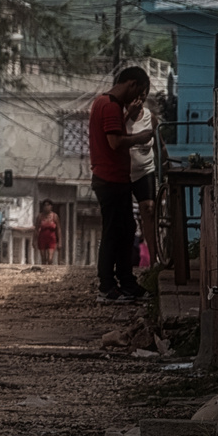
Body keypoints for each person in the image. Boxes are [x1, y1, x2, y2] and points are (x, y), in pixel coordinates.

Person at [89, 66, 154, 301]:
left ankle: (124, 283)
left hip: (110, 178)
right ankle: (109, 285)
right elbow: (115, 142)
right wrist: (140, 137)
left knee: (123, 230)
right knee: (116, 233)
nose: (136, 100)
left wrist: (127, 117)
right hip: (111, 179)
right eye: (138, 93)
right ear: (132, 84)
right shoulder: (111, 106)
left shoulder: (103, 103)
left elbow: (112, 133)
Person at [127, 95, 159, 270]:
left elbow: (159, 144)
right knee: (123, 217)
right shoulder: (119, 117)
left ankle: (153, 260)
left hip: (146, 170)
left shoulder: (150, 117)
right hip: (123, 172)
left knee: (149, 210)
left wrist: (165, 161)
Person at [35, 199, 60, 265]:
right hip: (42, 238)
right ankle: (44, 272)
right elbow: (36, 229)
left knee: (50, 258)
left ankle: (49, 270)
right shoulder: (40, 216)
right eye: (45, 205)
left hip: (52, 238)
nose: (46, 207)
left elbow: (58, 229)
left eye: (48, 205)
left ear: (51, 206)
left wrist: (59, 241)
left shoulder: (55, 216)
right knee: (43, 258)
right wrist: (34, 240)